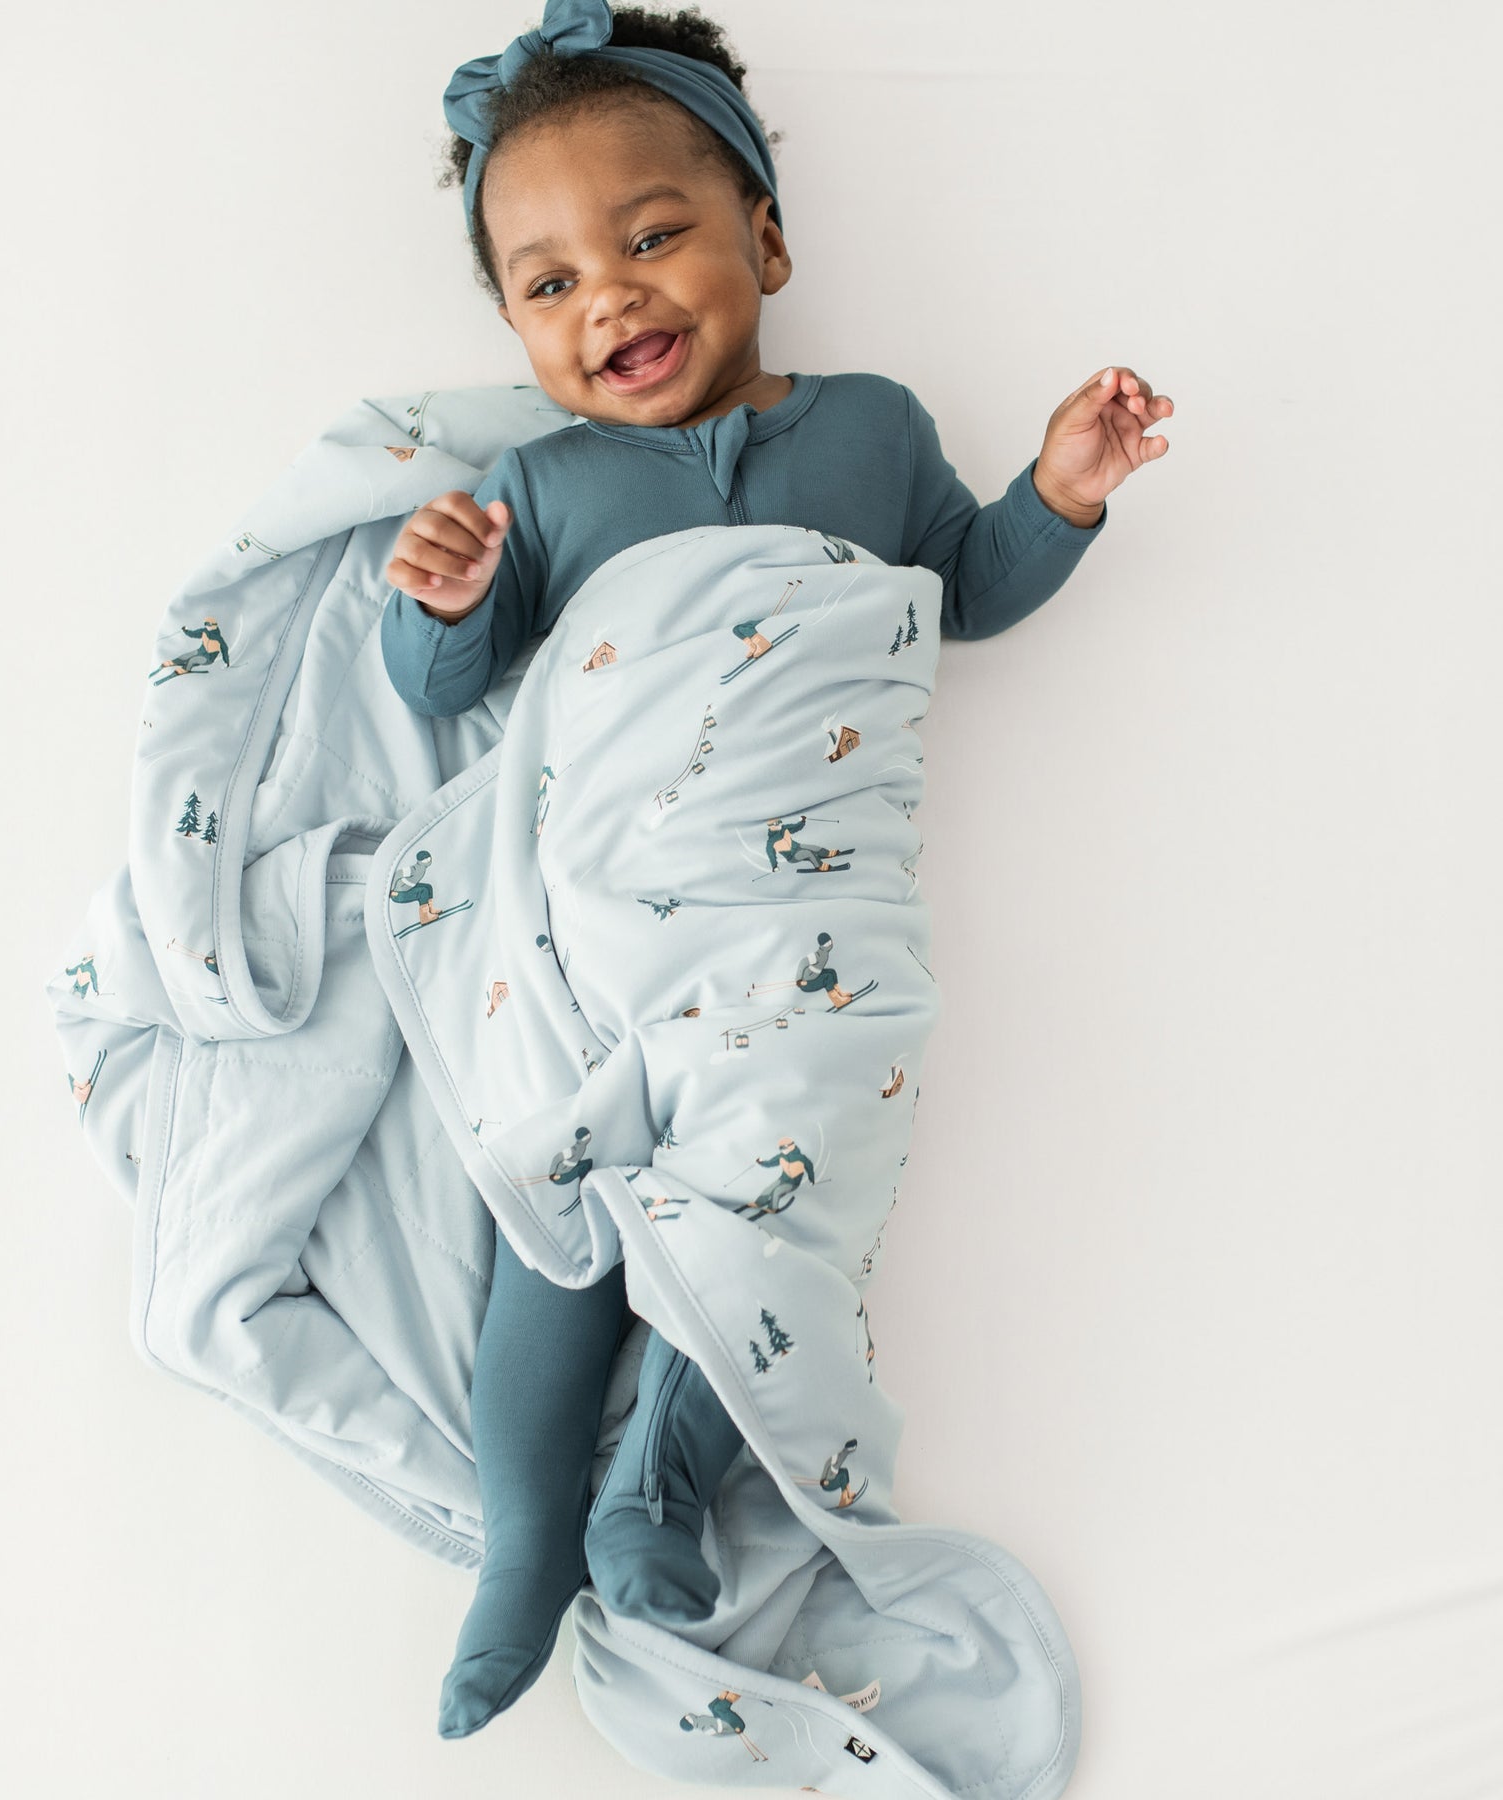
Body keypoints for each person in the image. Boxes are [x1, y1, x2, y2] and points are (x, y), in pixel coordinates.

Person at [377, 0, 1174, 1741]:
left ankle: (649, 1489)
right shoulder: (547, 484)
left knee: (782, 1182)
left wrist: (1062, 491)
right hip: (595, 923)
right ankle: (528, 1540)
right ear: (517, 327)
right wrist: (432, 604)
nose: (614, 300)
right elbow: (461, 687)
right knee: (560, 1220)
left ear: (769, 236)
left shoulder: (873, 428)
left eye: (654, 237)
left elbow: (955, 591)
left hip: (804, 920)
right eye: (551, 283)